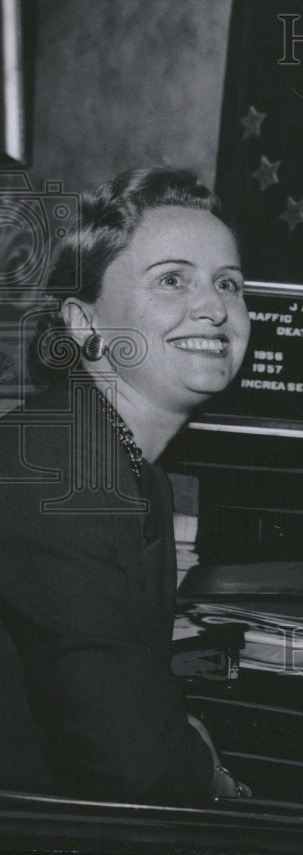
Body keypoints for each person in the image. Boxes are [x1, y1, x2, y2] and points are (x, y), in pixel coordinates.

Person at [0, 168, 252, 804]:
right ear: (84, 324)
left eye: (229, 284)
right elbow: (127, 758)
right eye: (173, 280)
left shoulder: (137, 472)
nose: (216, 308)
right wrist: (214, 777)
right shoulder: (50, 465)